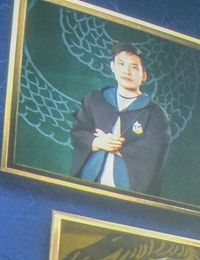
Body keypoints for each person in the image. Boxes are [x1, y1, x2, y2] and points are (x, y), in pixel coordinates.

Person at [71, 42, 171, 196]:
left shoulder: (155, 113)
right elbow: (78, 131)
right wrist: (97, 142)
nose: (127, 71)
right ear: (112, 66)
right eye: (121, 64)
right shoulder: (94, 100)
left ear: (144, 75)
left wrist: (115, 145)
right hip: (89, 183)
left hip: (127, 191)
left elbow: (154, 153)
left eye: (134, 67)